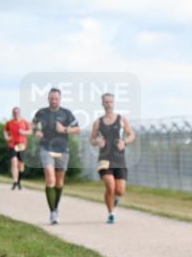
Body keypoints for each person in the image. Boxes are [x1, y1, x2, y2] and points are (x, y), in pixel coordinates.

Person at [33, 88, 81, 224]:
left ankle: (56, 207)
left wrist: (65, 129)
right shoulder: (41, 113)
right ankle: (53, 212)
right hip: (46, 148)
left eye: (56, 98)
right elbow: (33, 125)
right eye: (51, 98)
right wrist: (36, 131)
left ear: (60, 99)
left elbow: (77, 129)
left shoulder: (66, 113)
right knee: (50, 178)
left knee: (59, 183)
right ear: (48, 99)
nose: (54, 101)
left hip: (62, 150)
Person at [90, 93, 135, 223]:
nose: (108, 104)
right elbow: (92, 139)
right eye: (106, 102)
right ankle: (111, 214)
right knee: (110, 186)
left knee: (119, 191)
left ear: (113, 103)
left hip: (119, 159)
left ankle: (112, 201)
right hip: (104, 159)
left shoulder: (122, 119)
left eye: (110, 102)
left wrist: (124, 142)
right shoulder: (98, 122)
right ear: (102, 104)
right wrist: (98, 141)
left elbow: (131, 135)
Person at [4, 107, 32, 190]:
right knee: (14, 162)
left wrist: (24, 132)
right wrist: (6, 137)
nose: (16, 114)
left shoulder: (24, 122)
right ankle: (15, 182)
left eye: (17, 113)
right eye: (14, 113)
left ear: (19, 113)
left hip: (22, 145)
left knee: (21, 165)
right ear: (12, 113)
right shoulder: (9, 123)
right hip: (12, 144)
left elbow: (30, 131)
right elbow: (5, 131)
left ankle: (19, 181)